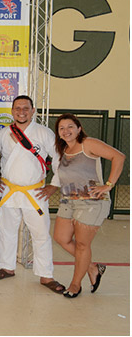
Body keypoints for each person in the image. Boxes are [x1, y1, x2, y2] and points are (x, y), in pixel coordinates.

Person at [0, 95, 65, 294]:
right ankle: (6, 267)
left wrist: (54, 185)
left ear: (33, 111)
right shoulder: (3, 133)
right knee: (6, 231)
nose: (21, 112)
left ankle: (46, 275)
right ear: (12, 111)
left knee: (40, 234)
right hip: (9, 191)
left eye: (25, 108)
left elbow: (59, 158)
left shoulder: (43, 133)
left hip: (35, 193)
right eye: (17, 108)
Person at [52, 114, 125, 298]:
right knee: (61, 238)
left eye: (70, 126)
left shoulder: (88, 144)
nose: (66, 131)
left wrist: (108, 185)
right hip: (68, 200)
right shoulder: (63, 149)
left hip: (91, 202)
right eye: (62, 128)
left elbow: (119, 157)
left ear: (79, 128)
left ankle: (75, 284)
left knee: (82, 245)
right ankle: (92, 267)